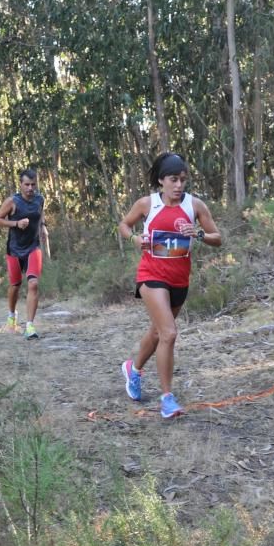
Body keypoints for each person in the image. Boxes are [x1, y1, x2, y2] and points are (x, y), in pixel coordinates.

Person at [117, 152, 222, 419]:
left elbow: (217, 238)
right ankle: (167, 399)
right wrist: (135, 240)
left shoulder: (195, 206)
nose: (179, 185)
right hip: (151, 275)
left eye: (183, 180)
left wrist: (198, 233)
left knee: (157, 333)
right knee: (170, 334)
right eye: (173, 179)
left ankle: (133, 369)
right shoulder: (147, 204)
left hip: (179, 280)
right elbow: (124, 225)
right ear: (161, 181)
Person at [0, 168, 49, 339]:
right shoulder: (12, 201)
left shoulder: (40, 199)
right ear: (20, 184)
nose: (30, 188)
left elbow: (41, 216)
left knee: (33, 284)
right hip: (14, 250)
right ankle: (12, 315)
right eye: (27, 184)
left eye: (33, 184)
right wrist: (16, 223)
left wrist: (43, 227)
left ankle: (30, 326)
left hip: (33, 247)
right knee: (15, 286)